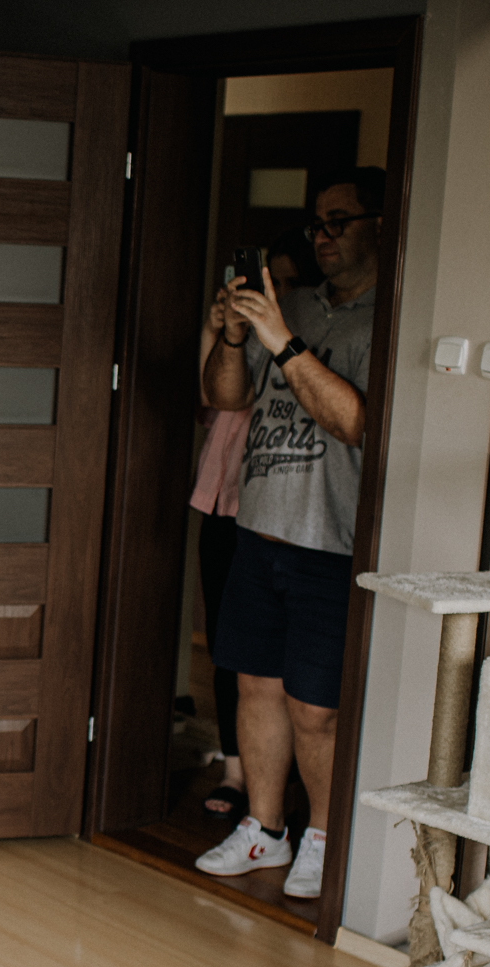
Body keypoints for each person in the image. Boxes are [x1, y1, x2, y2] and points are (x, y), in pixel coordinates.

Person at [195, 167, 384, 899]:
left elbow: (355, 423)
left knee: (316, 708)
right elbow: (225, 395)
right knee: (256, 688)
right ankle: (264, 830)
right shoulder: (296, 302)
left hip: (330, 546)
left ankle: (324, 843)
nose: (322, 236)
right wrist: (233, 335)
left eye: (340, 221)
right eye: (317, 224)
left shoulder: (384, 320)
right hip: (259, 531)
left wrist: (279, 340)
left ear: (379, 227)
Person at [191, 245, 305, 824]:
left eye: (278, 284)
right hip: (220, 505)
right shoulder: (238, 342)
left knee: (275, 656)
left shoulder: (294, 343)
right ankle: (235, 770)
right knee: (225, 643)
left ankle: (280, 777)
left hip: (269, 512)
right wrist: (216, 333)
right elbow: (208, 399)